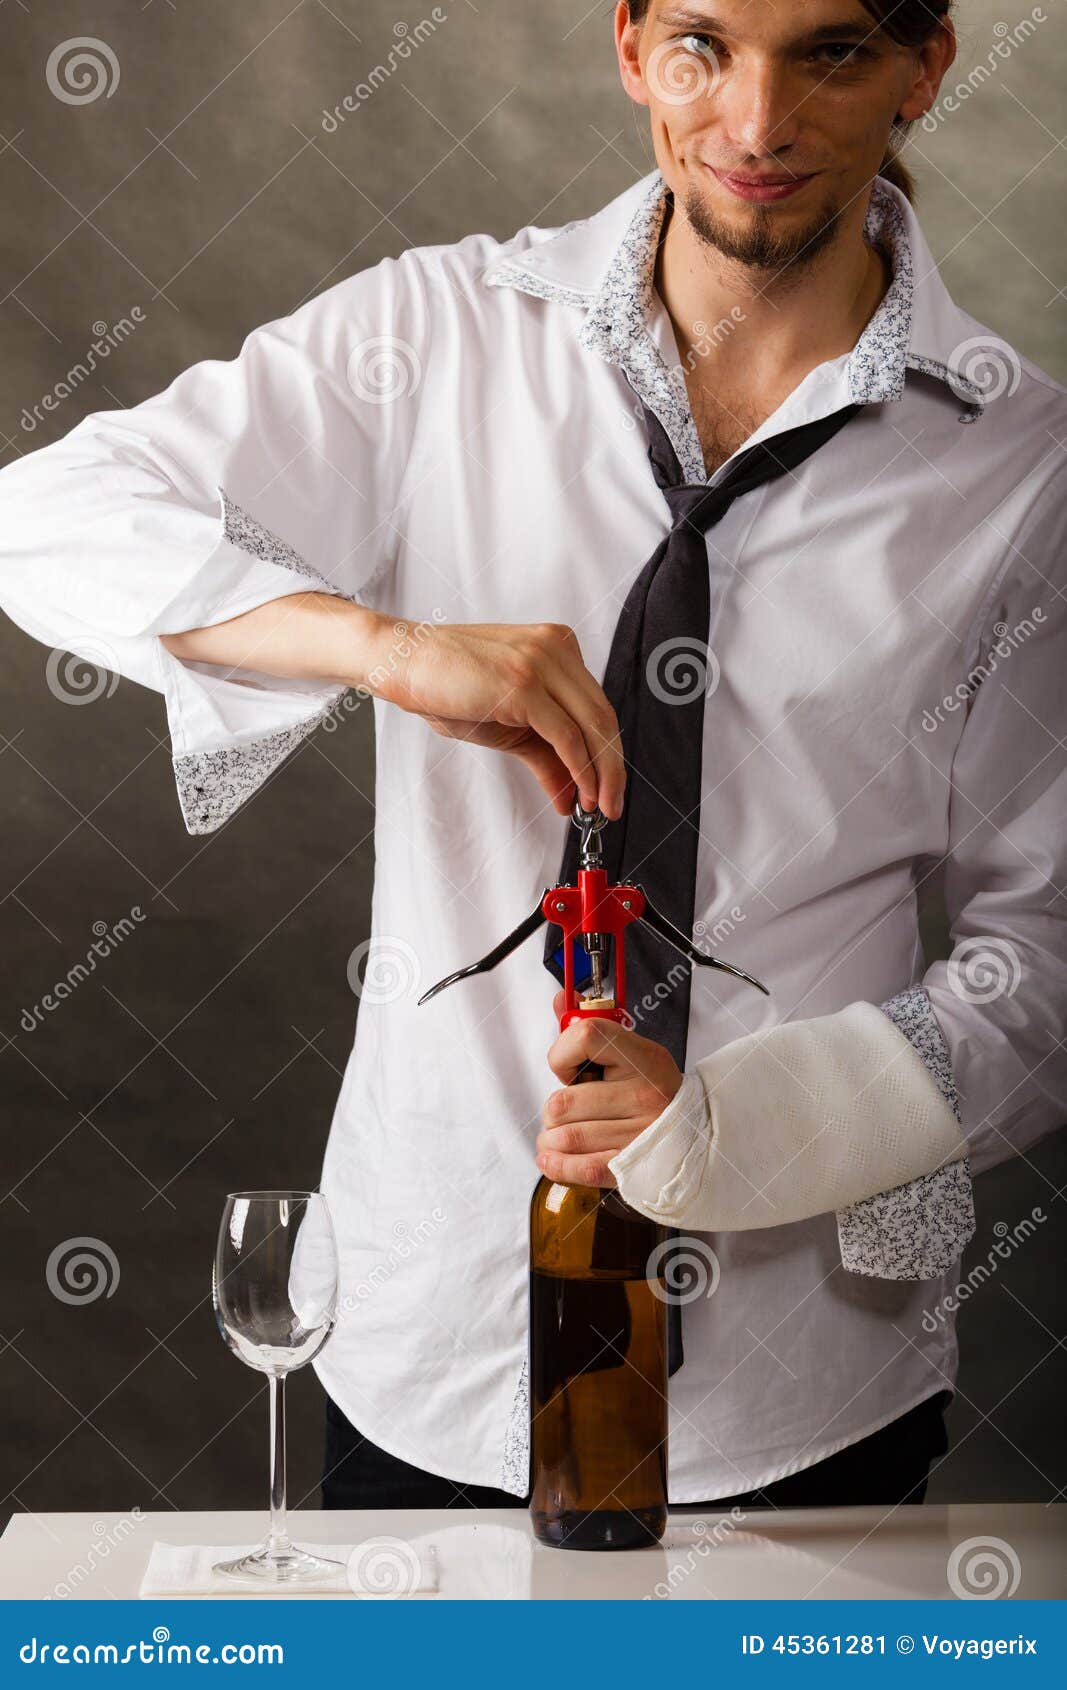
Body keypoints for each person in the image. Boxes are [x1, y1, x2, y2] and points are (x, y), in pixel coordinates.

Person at [0, 0, 1063, 1514]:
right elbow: (46, 510)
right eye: (702, 44)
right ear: (630, 46)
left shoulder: (1025, 471)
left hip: (806, 1381)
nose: (756, 124)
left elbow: (1054, 954)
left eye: (827, 52)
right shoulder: (434, 337)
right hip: (431, 1344)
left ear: (925, 68)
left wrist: (732, 1137)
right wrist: (384, 644)